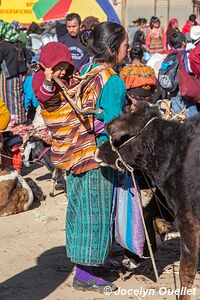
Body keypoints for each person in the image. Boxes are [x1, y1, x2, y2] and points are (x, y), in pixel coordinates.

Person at [33, 21, 128, 293]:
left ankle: (89, 265)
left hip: (72, 156)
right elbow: (113, 127)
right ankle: (86, 274)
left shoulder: (84, 70)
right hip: (95, 159)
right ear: (112, 49)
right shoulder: (113, 81)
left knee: (78, 212)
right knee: (94, 215)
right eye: (124, 46)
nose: (127, 49)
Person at [0, 21, 27, 127]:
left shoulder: (3, 46)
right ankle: (20, 121)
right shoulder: (18, 43)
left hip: (6, 77)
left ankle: (11, 124)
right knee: (17, 99)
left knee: (6, 100)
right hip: (18, 76)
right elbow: (25, 57)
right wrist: (23, 72)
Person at [169, 31, 198, 118]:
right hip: (186, 89)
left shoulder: (169, 56)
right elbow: (192, 70)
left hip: (173, 89)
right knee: (193, 117)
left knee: (177, 117)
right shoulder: (187, 55)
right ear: (183, 43)